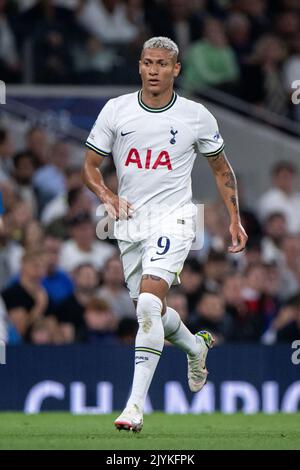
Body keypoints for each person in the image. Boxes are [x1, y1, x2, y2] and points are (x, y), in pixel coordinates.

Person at [82, 36, 248, 433]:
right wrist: (107, 194)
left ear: (176, 69)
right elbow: (89, 166)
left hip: (174, 219)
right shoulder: (116, 110)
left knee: (146, 308)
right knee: (149, 309)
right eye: (147, 62)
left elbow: (221, 169)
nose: (154, 70)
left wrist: (234, 218)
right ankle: (195, 345)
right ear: (139, 65)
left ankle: (134, 408)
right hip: (128, 224)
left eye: (162, 64)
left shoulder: (195, 115)